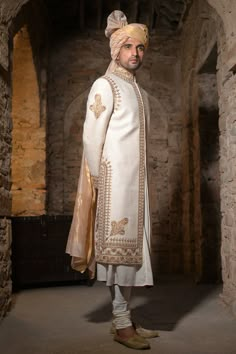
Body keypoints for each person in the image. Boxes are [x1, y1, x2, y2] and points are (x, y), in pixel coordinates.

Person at [66, 10, 158, 350]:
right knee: (118, 254)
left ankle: (126, 317)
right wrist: (98, 180)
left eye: (141, 47)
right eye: (128, 46)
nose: (135, 53)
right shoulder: (105, 85)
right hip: (115, 182)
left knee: (132, 253)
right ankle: (120, 324)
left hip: (136, 185)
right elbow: (92, 137)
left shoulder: (138, 91)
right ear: (115, 49)